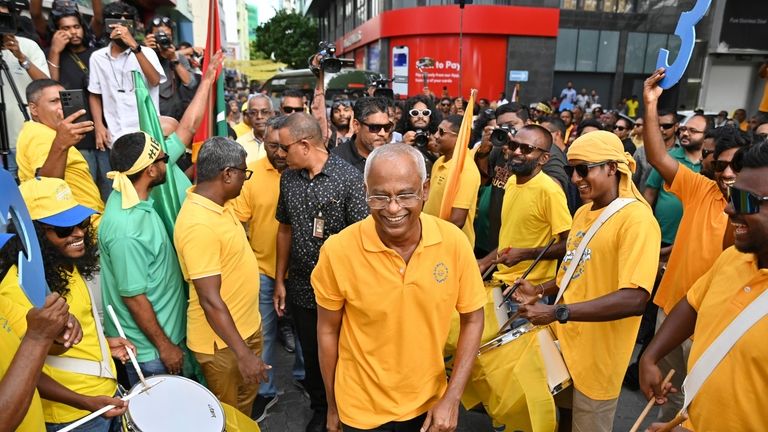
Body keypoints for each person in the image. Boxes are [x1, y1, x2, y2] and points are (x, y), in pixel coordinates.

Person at [312, 144, 486, 432]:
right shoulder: (338, 251)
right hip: (359, 410)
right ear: (366, 191)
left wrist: (452, 398)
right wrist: (333, 406)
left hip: (429, 405)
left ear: (425, 190)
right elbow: (328, 331)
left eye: (405, 194)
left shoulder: (453, 242)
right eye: (380, 196)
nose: (393, 208)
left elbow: (473, 317)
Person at [513, 130, 660, 431]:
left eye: (584, 169)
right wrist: (540, 290)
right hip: (565, 344)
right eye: (570, 170)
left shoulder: (637, 220)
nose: (576, 178)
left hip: (599, 358)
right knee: (560, 421)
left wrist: (556, 312)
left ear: (612, 167)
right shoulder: (582, 213)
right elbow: (575, 271)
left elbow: (635, 299)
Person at [639, 68, 747, 421]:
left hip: (713, 323)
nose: (727, 173)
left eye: (736, 165)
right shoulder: (701, 189)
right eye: (721, 164)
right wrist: (651, 104)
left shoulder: (754, 212)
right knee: (663, 399)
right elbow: (657, 157)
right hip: (673, 312)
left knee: (699, 405)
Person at [639, 140, 768, 432]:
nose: (729, 210)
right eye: (734, 195)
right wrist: (650, 355)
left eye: (746, 199)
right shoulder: (734, 258)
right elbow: (693, 303)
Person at [1, 177, 134, 431]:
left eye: (81, 223)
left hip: (105, 397)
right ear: (34, 235)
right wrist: (85, 402)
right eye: (63, 229)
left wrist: (105, 346)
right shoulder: (14, 287)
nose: (79, 233)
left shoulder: (67, 264)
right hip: (73, 417)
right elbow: (24, 365)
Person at [273, 113, 369, 432]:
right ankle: (322, 408)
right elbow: (284, 230)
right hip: (301, 287)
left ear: (304, 145)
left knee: (344, 354)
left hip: (342, 292)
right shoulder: (288, 179)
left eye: (283, 148)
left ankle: (346, 409)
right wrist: (280, 280)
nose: (279, 154)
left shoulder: (349, 179)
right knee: (312, 355)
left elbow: (362, 239)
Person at [174, 137, 269, 415]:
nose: (245, 180)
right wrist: (243, 354)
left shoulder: (220, 205)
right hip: (223, 346)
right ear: (227, 174)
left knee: (245, 408)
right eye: (243, 173)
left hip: (245, 331)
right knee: (228, 416)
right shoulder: (198, 225)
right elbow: (210, 299)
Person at [98, 132, 187, 385]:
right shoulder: (128, 231)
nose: (166, 164)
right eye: (163, 159)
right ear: (150, 171)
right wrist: (165, 347)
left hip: (161, 341)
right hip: (151, 353)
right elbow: (134, 298)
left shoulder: (130, 198)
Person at [231, 115, 305, 421]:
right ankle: (266, 391)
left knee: (307, 331)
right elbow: (238, 222)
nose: (279, 152)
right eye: (273, 145)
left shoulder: (305, 173)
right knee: (264, 332)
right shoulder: (252, 176)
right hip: (263, 271)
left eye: (283, 146)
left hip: (303, 272)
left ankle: (305, 377)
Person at [477, 124, 571, 288]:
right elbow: (512, 240)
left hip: (528, 291)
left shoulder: (549, 191)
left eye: (527, 149)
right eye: (514, 145)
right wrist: (485, 262)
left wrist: (525, 254)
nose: (517, 152)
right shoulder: (511, 181)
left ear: (544, 159)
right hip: (501, 283)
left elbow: (569, 244)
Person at [44, 3, 110, 201]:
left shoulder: (97, 55)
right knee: (86, 191)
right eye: (65, 28)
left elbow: (98, 17)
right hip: (76, 136)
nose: (72, 32)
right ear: (56, 32)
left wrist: (100, 125)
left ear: (83, 27)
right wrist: (55, 51)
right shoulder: (56, 55)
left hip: (103, 133)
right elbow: (52, 86)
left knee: (110, 186)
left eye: (76, 26)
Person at [15, 79, 104, 224]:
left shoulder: (51, 132)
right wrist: (61, 144)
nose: (62, 106)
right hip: (76, 226)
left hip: (86, 219)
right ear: (34, 109)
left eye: (64, 99)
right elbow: (45, 185)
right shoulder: (39, 134)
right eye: (54, 101)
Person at [88, 3, 164, 151]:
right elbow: (95, 93)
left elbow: (155, 81)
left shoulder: (146, 53)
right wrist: (99, 126)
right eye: (116, 22)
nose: (121, 29)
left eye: (127, 22)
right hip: (116, 136)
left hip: (148, 135)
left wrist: (135, 47)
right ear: (107, 25)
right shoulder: (97, 57)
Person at [0, 1, 50, 176]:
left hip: (29, 140)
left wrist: (21, 57)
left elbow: (47, 86)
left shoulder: (28, 46)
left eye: (3, 18)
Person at [422, 114, 481, 247]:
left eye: (441, 132)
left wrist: (434, 242)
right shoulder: (439, 161)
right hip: (430, 240)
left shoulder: (466, 170)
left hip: (450, 246)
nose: (436, 136)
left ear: (459, 138)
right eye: (437, 130)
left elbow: (457, 221)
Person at [144, 16, 196, 121]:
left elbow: (191, 83)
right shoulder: (140, 55)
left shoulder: (177, 57)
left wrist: (173, 59)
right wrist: (144, 51)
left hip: (172, 116)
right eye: (158, 35)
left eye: (167, 35)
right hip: (147, 115)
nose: (163, 39)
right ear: (149, 36)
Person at [331, 96, 391, 173]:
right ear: (356, 126)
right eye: (375, 127)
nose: (382, 133)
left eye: (387, 127)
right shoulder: (335, 160)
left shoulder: (393, 159)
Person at [633, 108, 678, 193]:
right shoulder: (641, 152)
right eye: (657, 125)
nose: (661, 129)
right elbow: (632, 182)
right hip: (644, 203)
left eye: (666, 126)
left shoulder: (683, 152)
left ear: (676, 127)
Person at [237, 94, 273, 162]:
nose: (259, 116)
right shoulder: (240, 143)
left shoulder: (281, 143)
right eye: (253, 113)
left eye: (264, 112)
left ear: (272, 114)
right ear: (248, 116)